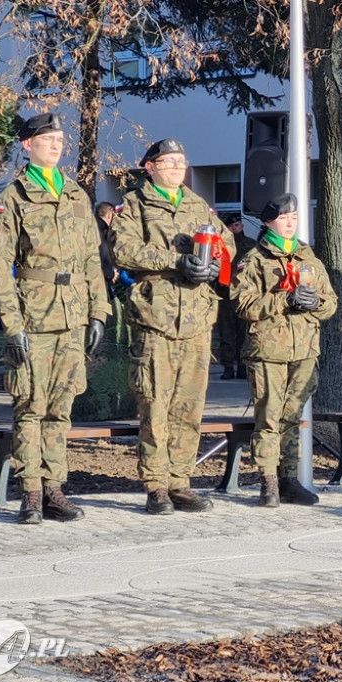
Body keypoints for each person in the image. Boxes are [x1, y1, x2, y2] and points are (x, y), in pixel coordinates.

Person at [0, 112, 111, 525]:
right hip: (33, 315)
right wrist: (12, 324)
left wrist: (98, 311)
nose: (57, 145)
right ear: (28, 145)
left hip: (72, 316)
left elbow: (92, 258)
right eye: (48, 139)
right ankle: (31, 493)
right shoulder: (13, 196)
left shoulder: (75, 194)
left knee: (61, 406)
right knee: (30, 405)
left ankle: (55, 487)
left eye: (60, 139)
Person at [109, 138, 235, 516]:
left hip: (197, 320)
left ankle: (181, 481)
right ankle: (156, 485)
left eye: (182, 160)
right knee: (155, 405)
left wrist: (215, 266)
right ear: (150, 168)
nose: (178, 166)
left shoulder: (198, 205)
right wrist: (175, 261)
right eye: (169, 161)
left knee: (189, 407)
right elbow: (123, 249)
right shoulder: (135, 205)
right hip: (156, 320)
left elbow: (227, 244)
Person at [233, 193, 338, 508]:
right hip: (268, 350)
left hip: (304, 349)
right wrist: (284, 299)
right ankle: (268, 481)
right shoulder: (254, 260)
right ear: (268, 222)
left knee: (292, 417)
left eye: (294, 218)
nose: (290, 223)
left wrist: (316, 302)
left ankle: (289, 479)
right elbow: (243, 304)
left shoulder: (309, 258)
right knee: (269, 418)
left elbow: (331, 302)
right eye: (283, 218)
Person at [216, 212, 255, 380]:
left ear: (242, 226)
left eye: (237, 225)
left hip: (244, 296)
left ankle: (242, 366)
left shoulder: (251, 246)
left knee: (243, 334)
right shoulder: (220, 245)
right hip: (225, 295)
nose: (234, 228)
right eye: (231, 226)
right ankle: (227, 367)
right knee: (226, 334)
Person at [95, 201, 117, 298]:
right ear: (110, 214)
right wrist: (110, 274)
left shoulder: (91, 226)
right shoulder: (101, 231)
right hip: (100, 282)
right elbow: (103, 254)